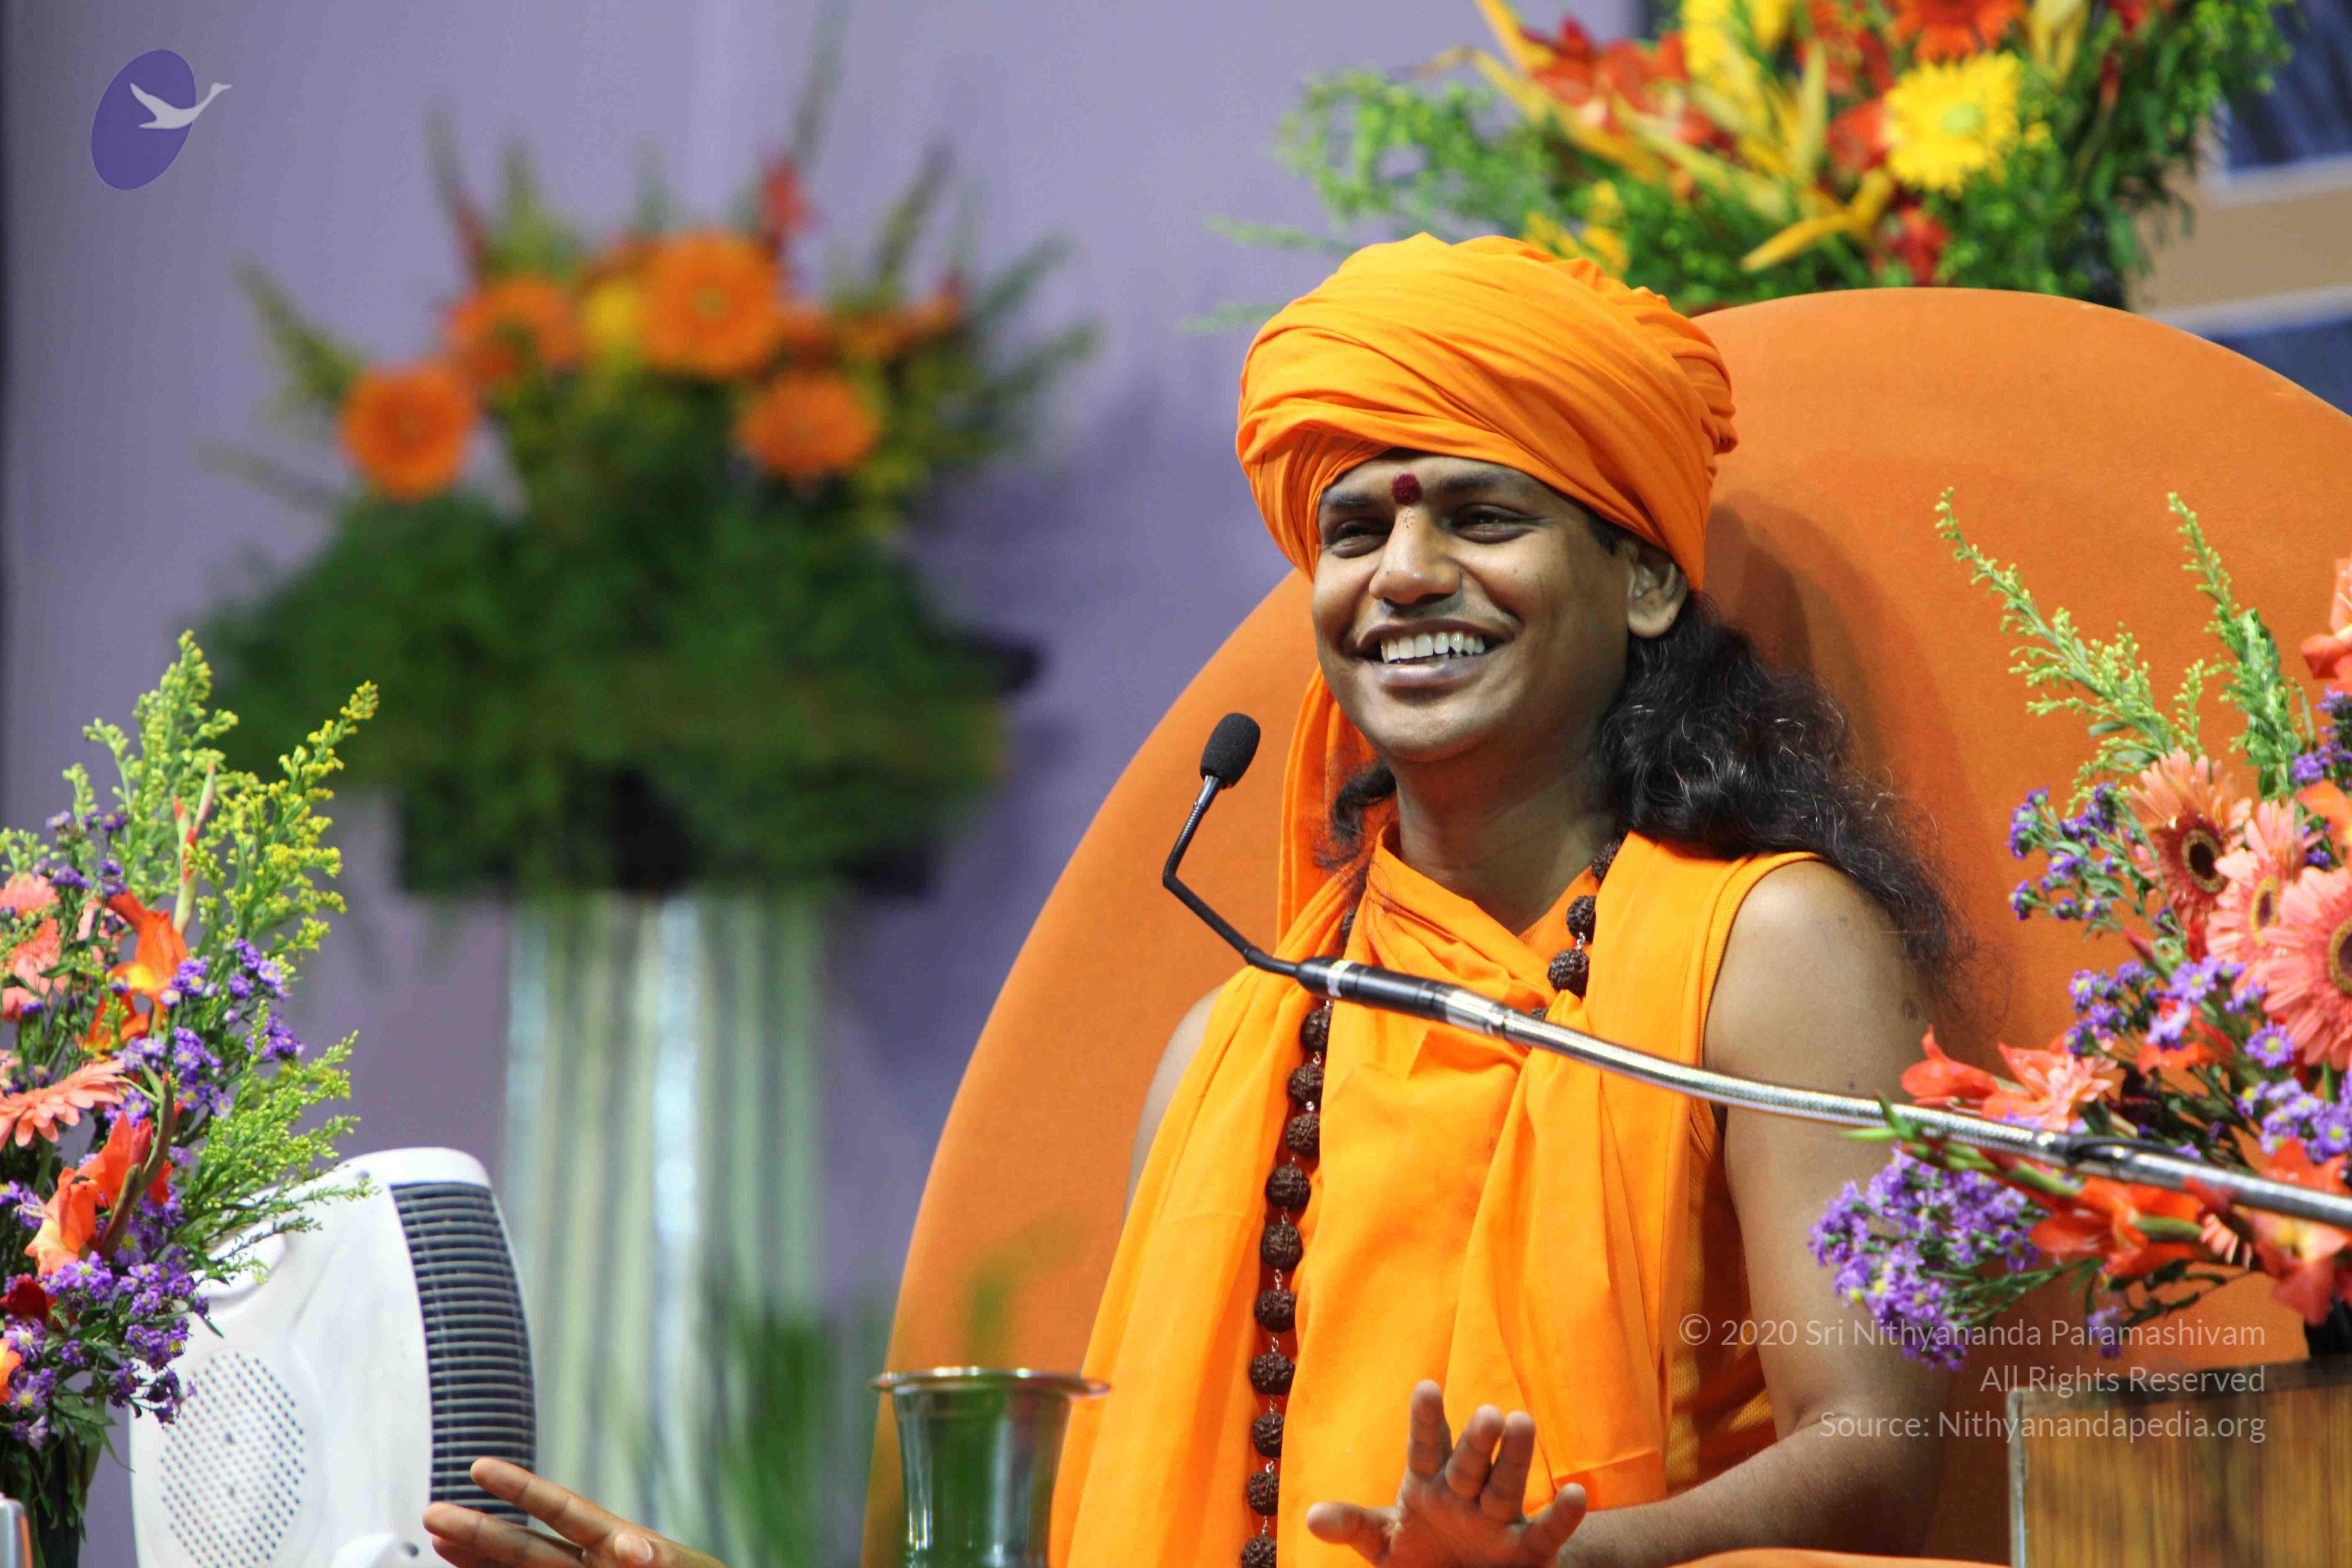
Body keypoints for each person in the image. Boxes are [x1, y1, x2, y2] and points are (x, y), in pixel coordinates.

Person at [420, 235, 1963, 1568]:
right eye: (1355, 530)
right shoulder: (1237, 1046)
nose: (1404, 573)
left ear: (1643, 581)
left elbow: (1881, 1453)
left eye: (1483, 517)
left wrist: (1561, 1557)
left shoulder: (1770, 949)